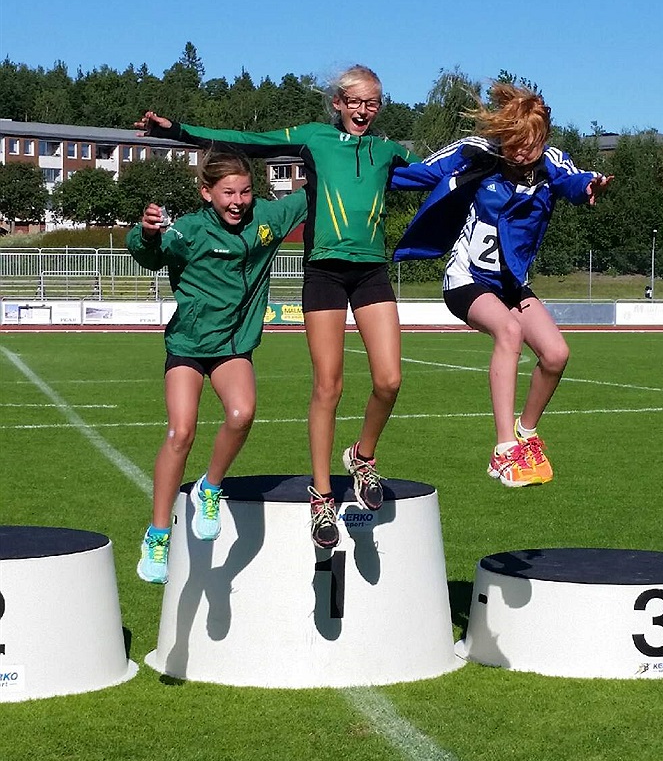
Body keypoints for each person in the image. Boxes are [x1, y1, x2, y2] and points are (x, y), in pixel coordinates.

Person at [136, 65, 420, 548]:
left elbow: (434, 175)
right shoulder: (313, 139)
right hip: (325, 273)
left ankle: (362, 456)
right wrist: (179, 131)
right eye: (354, 101)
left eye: (372, 103)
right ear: (337, 102)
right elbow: (247, 140)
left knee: (390, 380)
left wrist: (499, 162)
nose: (362, 110)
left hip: (372, 270)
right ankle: (322, 497)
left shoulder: (387, 151)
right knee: (328, 385)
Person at [391, 81, 613, 487]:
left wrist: (589, 186)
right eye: (513, 144)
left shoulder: (551, 163)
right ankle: (503, 450)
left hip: (511, 285)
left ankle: (526, 433)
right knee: (509, 331)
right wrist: (373, 171)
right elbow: (422, 172)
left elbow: (574, 180)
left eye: (529, 145)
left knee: (556, 354)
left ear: (543, 138)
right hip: (466, 280)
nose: (520, 153)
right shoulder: (477, 153)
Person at [127, 147, 307, 583]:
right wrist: (145, 233)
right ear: (206, 192)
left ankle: (209, 487)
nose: (238, 201)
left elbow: (316, 191)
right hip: (189, 344)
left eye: (245, 191)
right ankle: (157, 535)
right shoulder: (188, 231)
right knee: (181, 432)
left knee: (242, 414)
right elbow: (149, 254)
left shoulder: (268, 219)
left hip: (233, 345)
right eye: (228, 192)